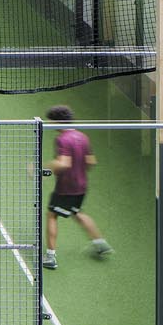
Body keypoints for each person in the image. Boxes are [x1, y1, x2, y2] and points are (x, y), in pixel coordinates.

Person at [43, 104, 112, 269]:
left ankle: (50, 257)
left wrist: (44, 168)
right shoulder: (82, 137)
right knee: (76, 212)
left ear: (57, 121)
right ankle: (100, 243)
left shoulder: (62, 139)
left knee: (52, 215)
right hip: (81, 185)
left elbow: (63, 163)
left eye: (51, 121)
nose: (50, 124)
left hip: (66, 187)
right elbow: (91, 162)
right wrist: (79, 170)